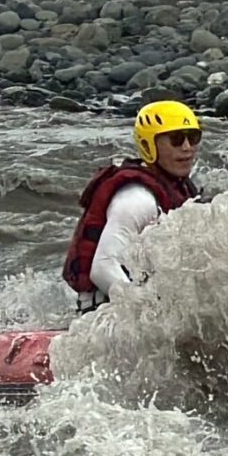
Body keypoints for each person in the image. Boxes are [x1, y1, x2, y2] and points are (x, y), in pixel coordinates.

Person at [62, 100, 203, 312]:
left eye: (193, 138)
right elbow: (102, 267)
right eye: (175, 139)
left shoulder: (180, 189)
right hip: (103, 312)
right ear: (148, 145)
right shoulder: (137, 199)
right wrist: (149, 314)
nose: (187, 148)